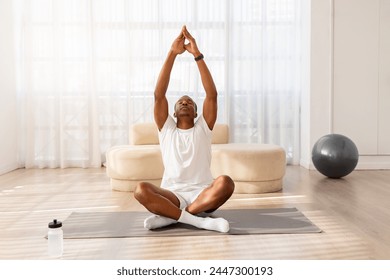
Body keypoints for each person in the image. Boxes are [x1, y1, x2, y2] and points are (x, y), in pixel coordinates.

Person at [134, 26, 235, 233]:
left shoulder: (203, 128)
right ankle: (199, 221)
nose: (185, 103)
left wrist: (197, 55)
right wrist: (172, 53)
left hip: (202, 194)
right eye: (180, 102)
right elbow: (159, 95)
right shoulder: (167, 129)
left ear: (197, 113)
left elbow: (212, 95)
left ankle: (172, 216)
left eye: (189, 102)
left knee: (226, 183)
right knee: (140, 190)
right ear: (173, 112)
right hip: (173, 194)